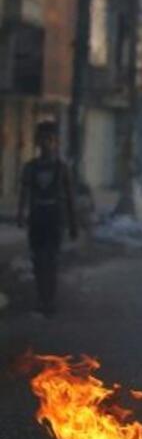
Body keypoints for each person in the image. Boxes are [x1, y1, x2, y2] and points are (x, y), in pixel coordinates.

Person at [16, 121, 78, 317]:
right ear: (37, 142)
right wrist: (21, 213)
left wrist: (73, 224)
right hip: (37, 217)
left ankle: (49, 300)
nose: (46, 143)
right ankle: (41, 298)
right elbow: (24, 192)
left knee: (51, 261)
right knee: (37, 261)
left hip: (54, 217)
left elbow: (70, 197)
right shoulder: (30, 167)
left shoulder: (62, 168)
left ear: (56, 142)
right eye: (43, 139)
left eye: (50, 139)